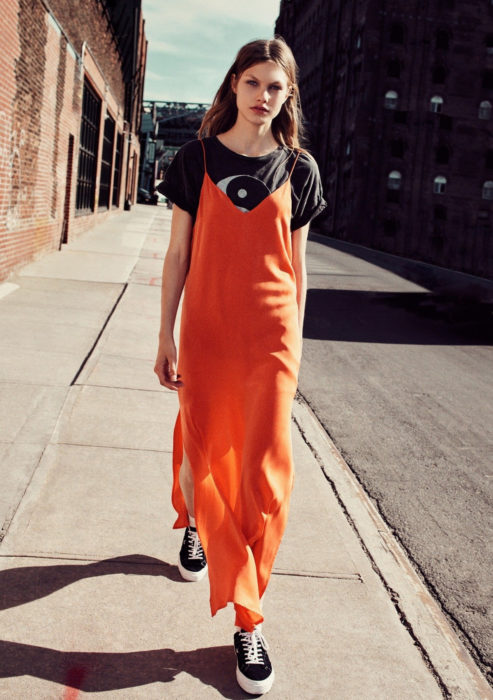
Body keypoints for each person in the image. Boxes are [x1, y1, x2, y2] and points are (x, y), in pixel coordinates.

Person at [154, 37, 326, 695]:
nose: (262, 97)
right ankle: (196, 518)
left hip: (271, 337)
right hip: (206, 330)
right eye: (252, 83)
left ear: (287, 96)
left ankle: (248, 619)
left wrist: (297, 343)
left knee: (261, 472)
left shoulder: (299, 168)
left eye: (274, 88)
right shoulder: (193, 157)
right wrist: (164, 335)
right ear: (233, 85)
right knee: (204, 450)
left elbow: (297, 268)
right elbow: (176, 257)